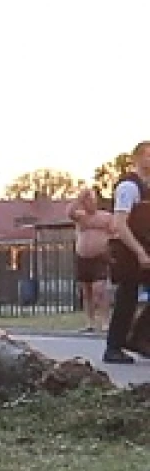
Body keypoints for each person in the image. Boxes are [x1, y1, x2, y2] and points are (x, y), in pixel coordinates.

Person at [103, 141, 150, 364]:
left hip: (145, 247)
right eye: (148, 156)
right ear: (137, 159)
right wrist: (139, 251)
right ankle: (113, 347)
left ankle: (139, 337)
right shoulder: (129, 188)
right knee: (127, 297)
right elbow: (120, 224)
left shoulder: (147, 187)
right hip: (128, 249)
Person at [70, 185, 113, 334]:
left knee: (99, 290)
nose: (90, 204)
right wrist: (79, 198)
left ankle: (105, 321)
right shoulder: (80, 216)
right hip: (83, 258)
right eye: (87, 201)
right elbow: (69, 212)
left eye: (92, 200)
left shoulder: (106, 217)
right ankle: (90, 322)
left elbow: (115, 233)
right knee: (86, 291)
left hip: (99, 258)